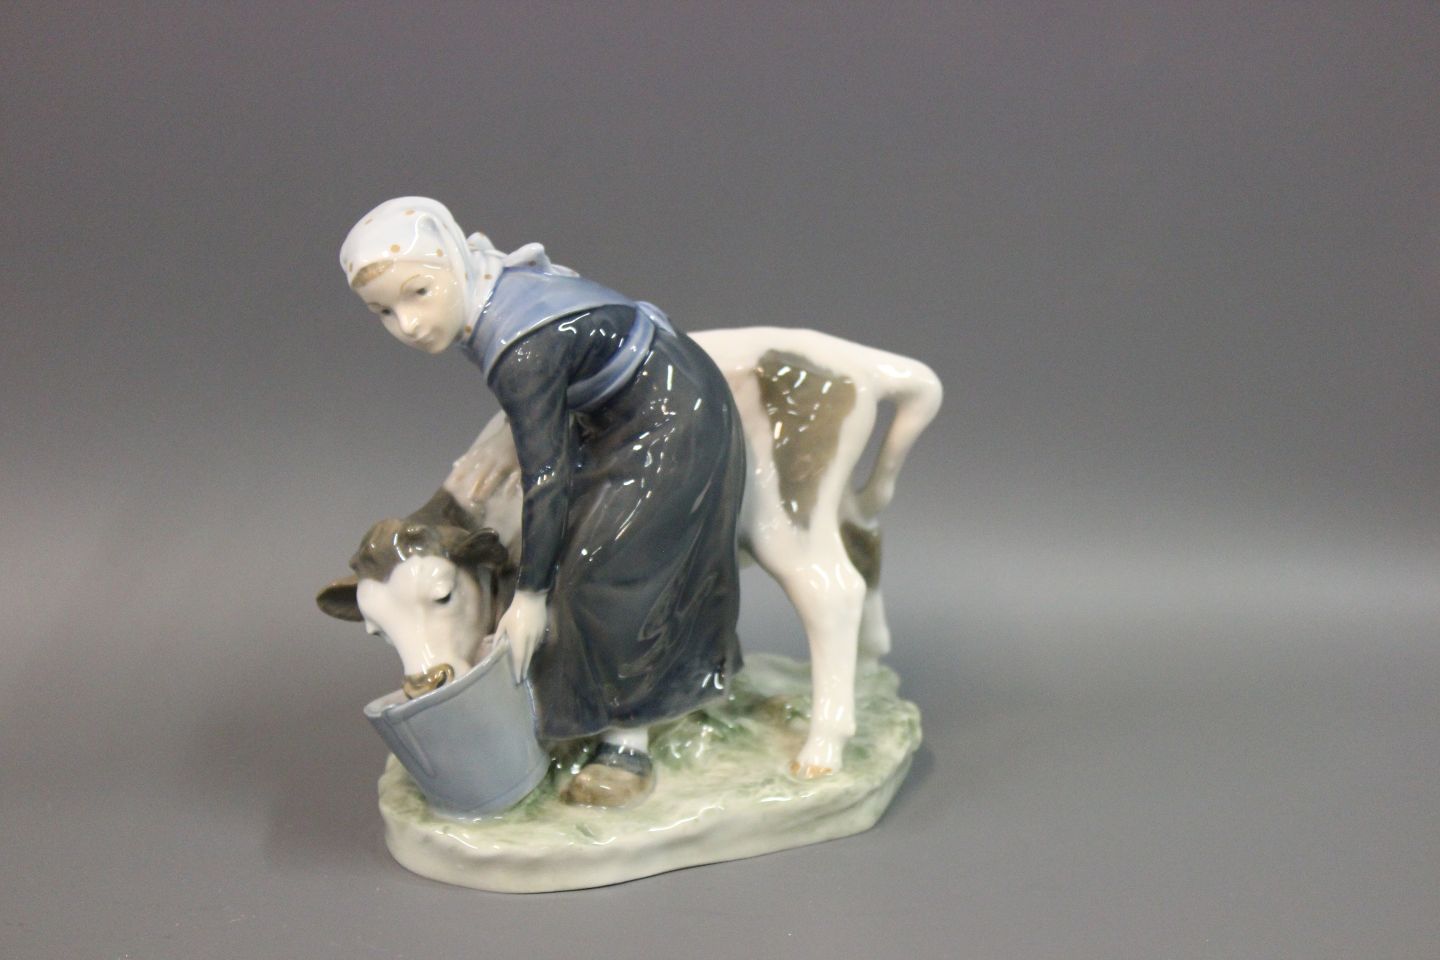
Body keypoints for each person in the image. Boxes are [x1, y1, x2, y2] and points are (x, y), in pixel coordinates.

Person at [339, 197, 745, 806]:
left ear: (454, 263)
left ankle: (628, 740)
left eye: (419, 293)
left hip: (671, 419)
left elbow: (546, 476)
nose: (409, 324)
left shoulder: (519, 348)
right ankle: (578, 712)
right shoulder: (485, 298)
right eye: (384, 312)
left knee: (594, 573)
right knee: (559, 553)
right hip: (617, 414)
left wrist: (530, 596)